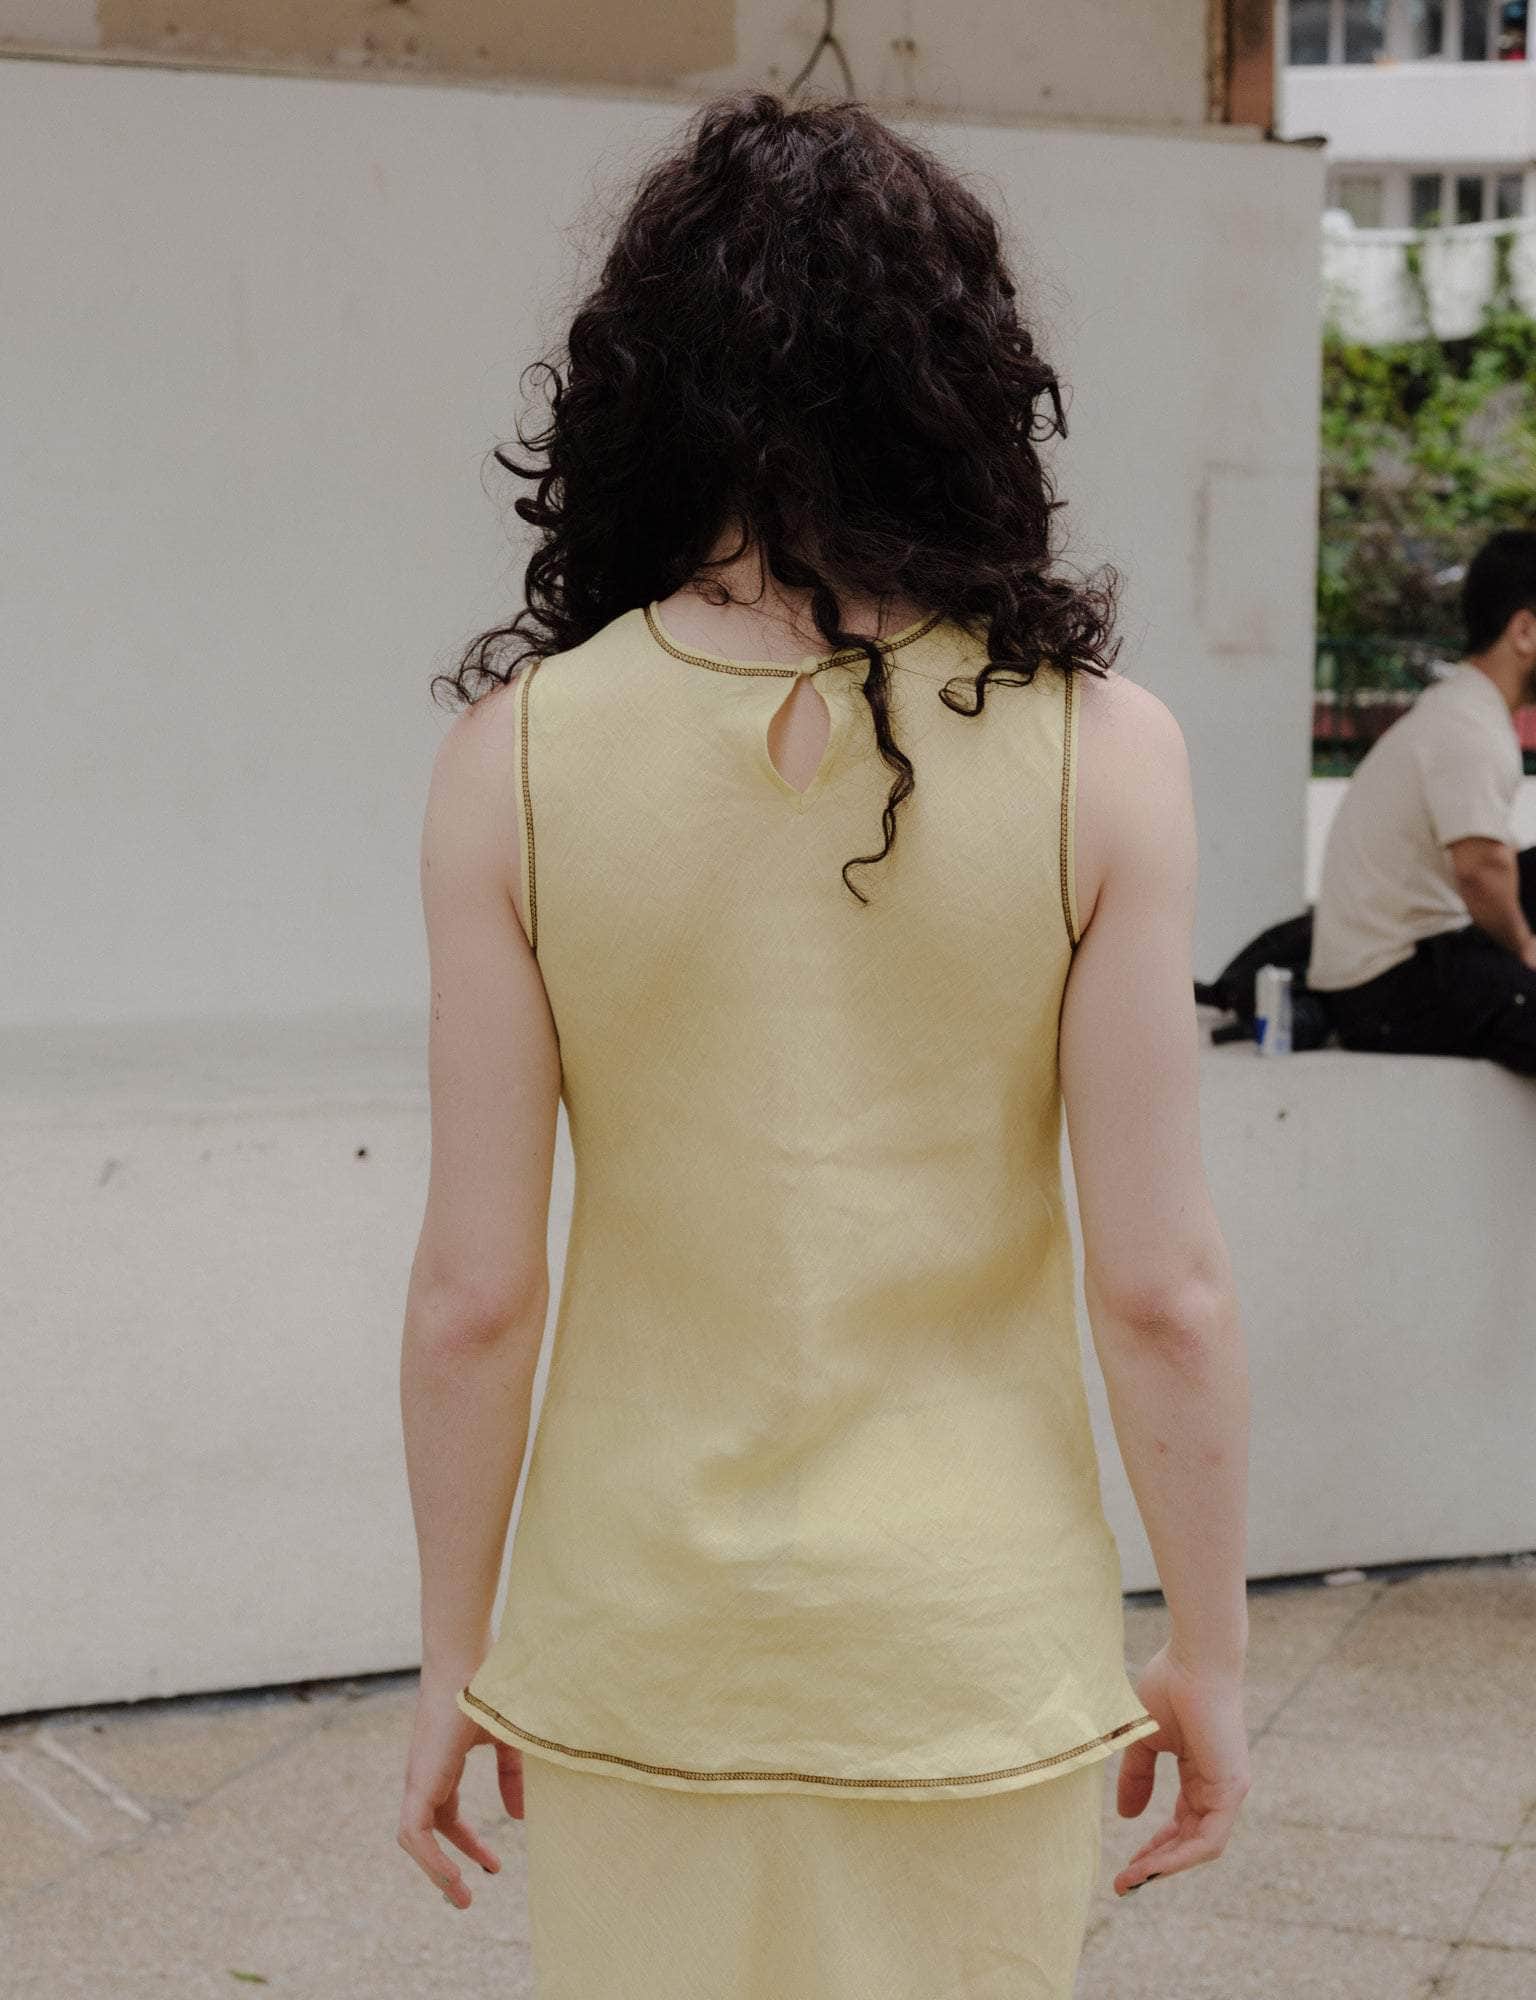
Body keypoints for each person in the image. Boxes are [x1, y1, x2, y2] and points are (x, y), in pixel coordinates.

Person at [395, 90, 1250, 1998]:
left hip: (641, 1640)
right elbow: (1164, 1290)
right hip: (966, 1648)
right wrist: (1211, 1648)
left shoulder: (512, 764)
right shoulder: (1106, 757)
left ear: (637, 394)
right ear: (963, 386)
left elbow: (474, 1293)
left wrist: (455, 1653)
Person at [1308, 529, 1536, 1269]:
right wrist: (1527, 949)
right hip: (1385, 986)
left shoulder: (1464, 709)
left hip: (1415, 950)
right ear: (1526, 629)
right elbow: (1478, 870)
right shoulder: (1468, 728)